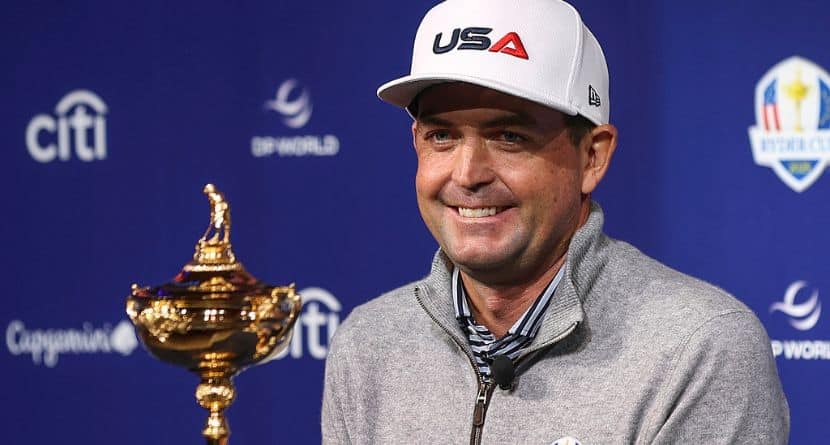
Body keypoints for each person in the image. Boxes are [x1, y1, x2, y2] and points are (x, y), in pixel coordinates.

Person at [322, 0, 790, 443]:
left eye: (508, 136)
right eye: (442, 136)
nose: (467, 174)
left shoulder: (699, 348)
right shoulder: (367, 345)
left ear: (593, 156)